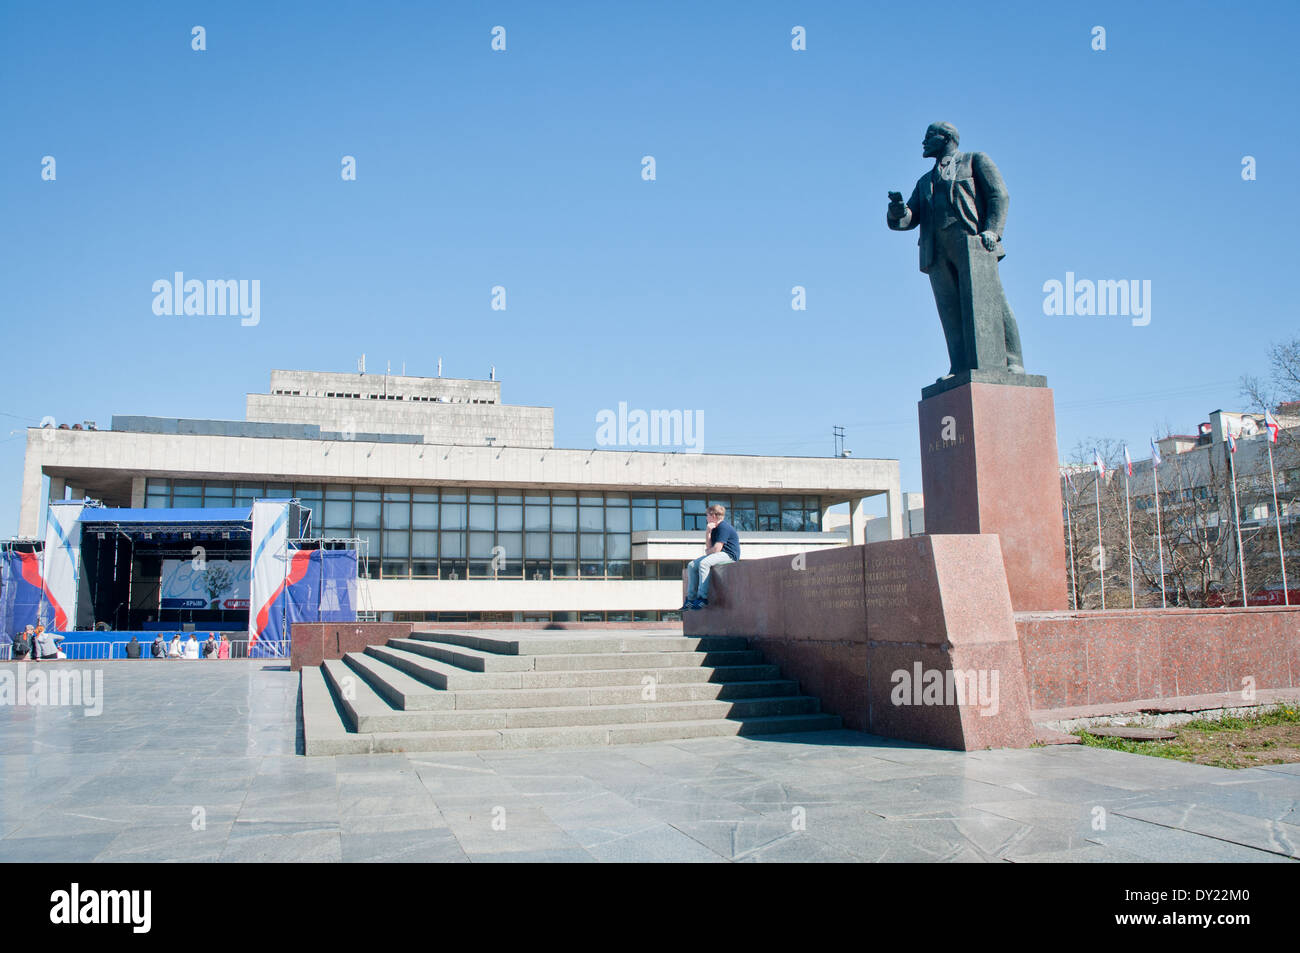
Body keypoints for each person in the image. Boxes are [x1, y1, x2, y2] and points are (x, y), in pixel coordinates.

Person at [887, 121, 1025, 379]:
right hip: (936, 249)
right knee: (949, 310)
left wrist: (992, 231)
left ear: (947, 137)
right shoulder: (924, 181)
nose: (923, 142)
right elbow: (909, 218)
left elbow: (999, 195)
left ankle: (1014, 362)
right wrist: (897, 210)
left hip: (972, 242)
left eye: (929, 136)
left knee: (994, 302)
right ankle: (960, 365)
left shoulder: (974, 161)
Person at [682, 504, 740, 610]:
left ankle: (702, 598)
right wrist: (708, 532)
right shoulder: (713, 528)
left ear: (713, 516)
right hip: (719, 554)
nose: (706, 518)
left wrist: (709, 551)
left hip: (729, 555)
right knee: (691, 565)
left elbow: (716, 549)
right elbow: (709, 548)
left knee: (704, 563)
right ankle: (690, 600)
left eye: (707, 515)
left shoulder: (723, 527)